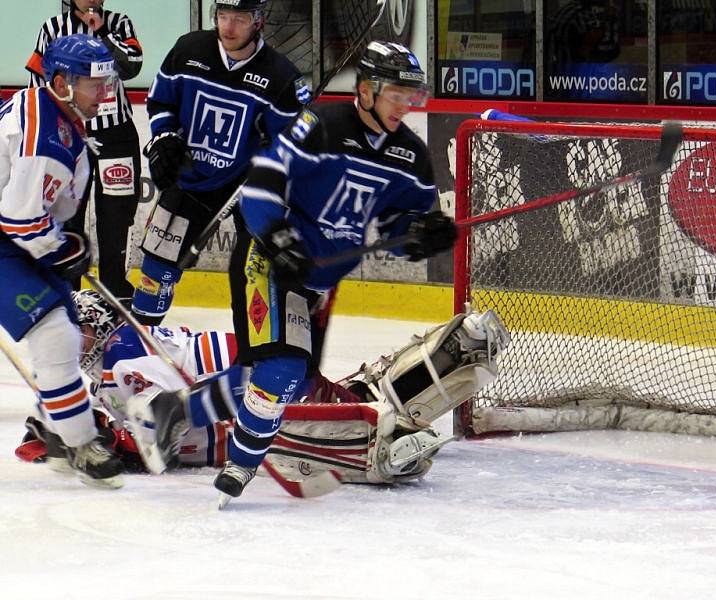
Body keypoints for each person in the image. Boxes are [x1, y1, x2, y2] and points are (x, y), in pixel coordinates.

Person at [130, 40, 457, 506]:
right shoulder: (319, 126)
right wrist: (279, 238)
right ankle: (240, 467)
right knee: (281, 370)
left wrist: (424, 235)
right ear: (366, 89)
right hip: (267, 259)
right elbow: (261, 187)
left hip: (319, 281)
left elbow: (398, 229)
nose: (406, 104)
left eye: (412, 95)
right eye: (396, 93)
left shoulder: (411, 156)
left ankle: (173, 410)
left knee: (283, 378)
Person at [16, 291, 509, 487]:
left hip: (251, 386)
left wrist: (112, 441)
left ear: (99, 325)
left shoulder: (121, 360)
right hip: (261, 371)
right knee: (356, 393)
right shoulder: (116, 363)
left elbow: (164, 421)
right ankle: (455, 350)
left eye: (75, 329)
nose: (66, 341)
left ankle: (394, 432)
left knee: (339, 427)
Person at [131, 0, 309, 326]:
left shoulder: (280, 76)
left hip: (245, 187)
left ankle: (250, 354)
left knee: (253, 271)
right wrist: (165, 137)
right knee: (158, 263)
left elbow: (293, 146)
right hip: (190, 173)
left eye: (238, 19)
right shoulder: (189, 49)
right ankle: (137, 343)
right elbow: (161, 101)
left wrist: (272, 165)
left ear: (258, 21)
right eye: (223, 16)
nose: (227, 27)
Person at [0, 34, 124, 488]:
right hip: (9, 239)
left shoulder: (51, 110)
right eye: (95, 84)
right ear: (61, 83)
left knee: (65, 335)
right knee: (53, 335)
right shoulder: (46, 139)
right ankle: (77, 442)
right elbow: (19, 220)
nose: (105, 93)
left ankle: (51, 424)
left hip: (14, 238)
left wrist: (60, 241)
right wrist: (62, 248)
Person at [26, 0, 144, 298]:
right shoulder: (53, 28)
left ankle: (115, 293)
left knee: (116, 219)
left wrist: (102, 31)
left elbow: (132, 66)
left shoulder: (120, 23)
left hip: (116, 134)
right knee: (68, 217)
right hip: (70, 134)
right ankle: (68, 292)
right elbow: (39, 83)